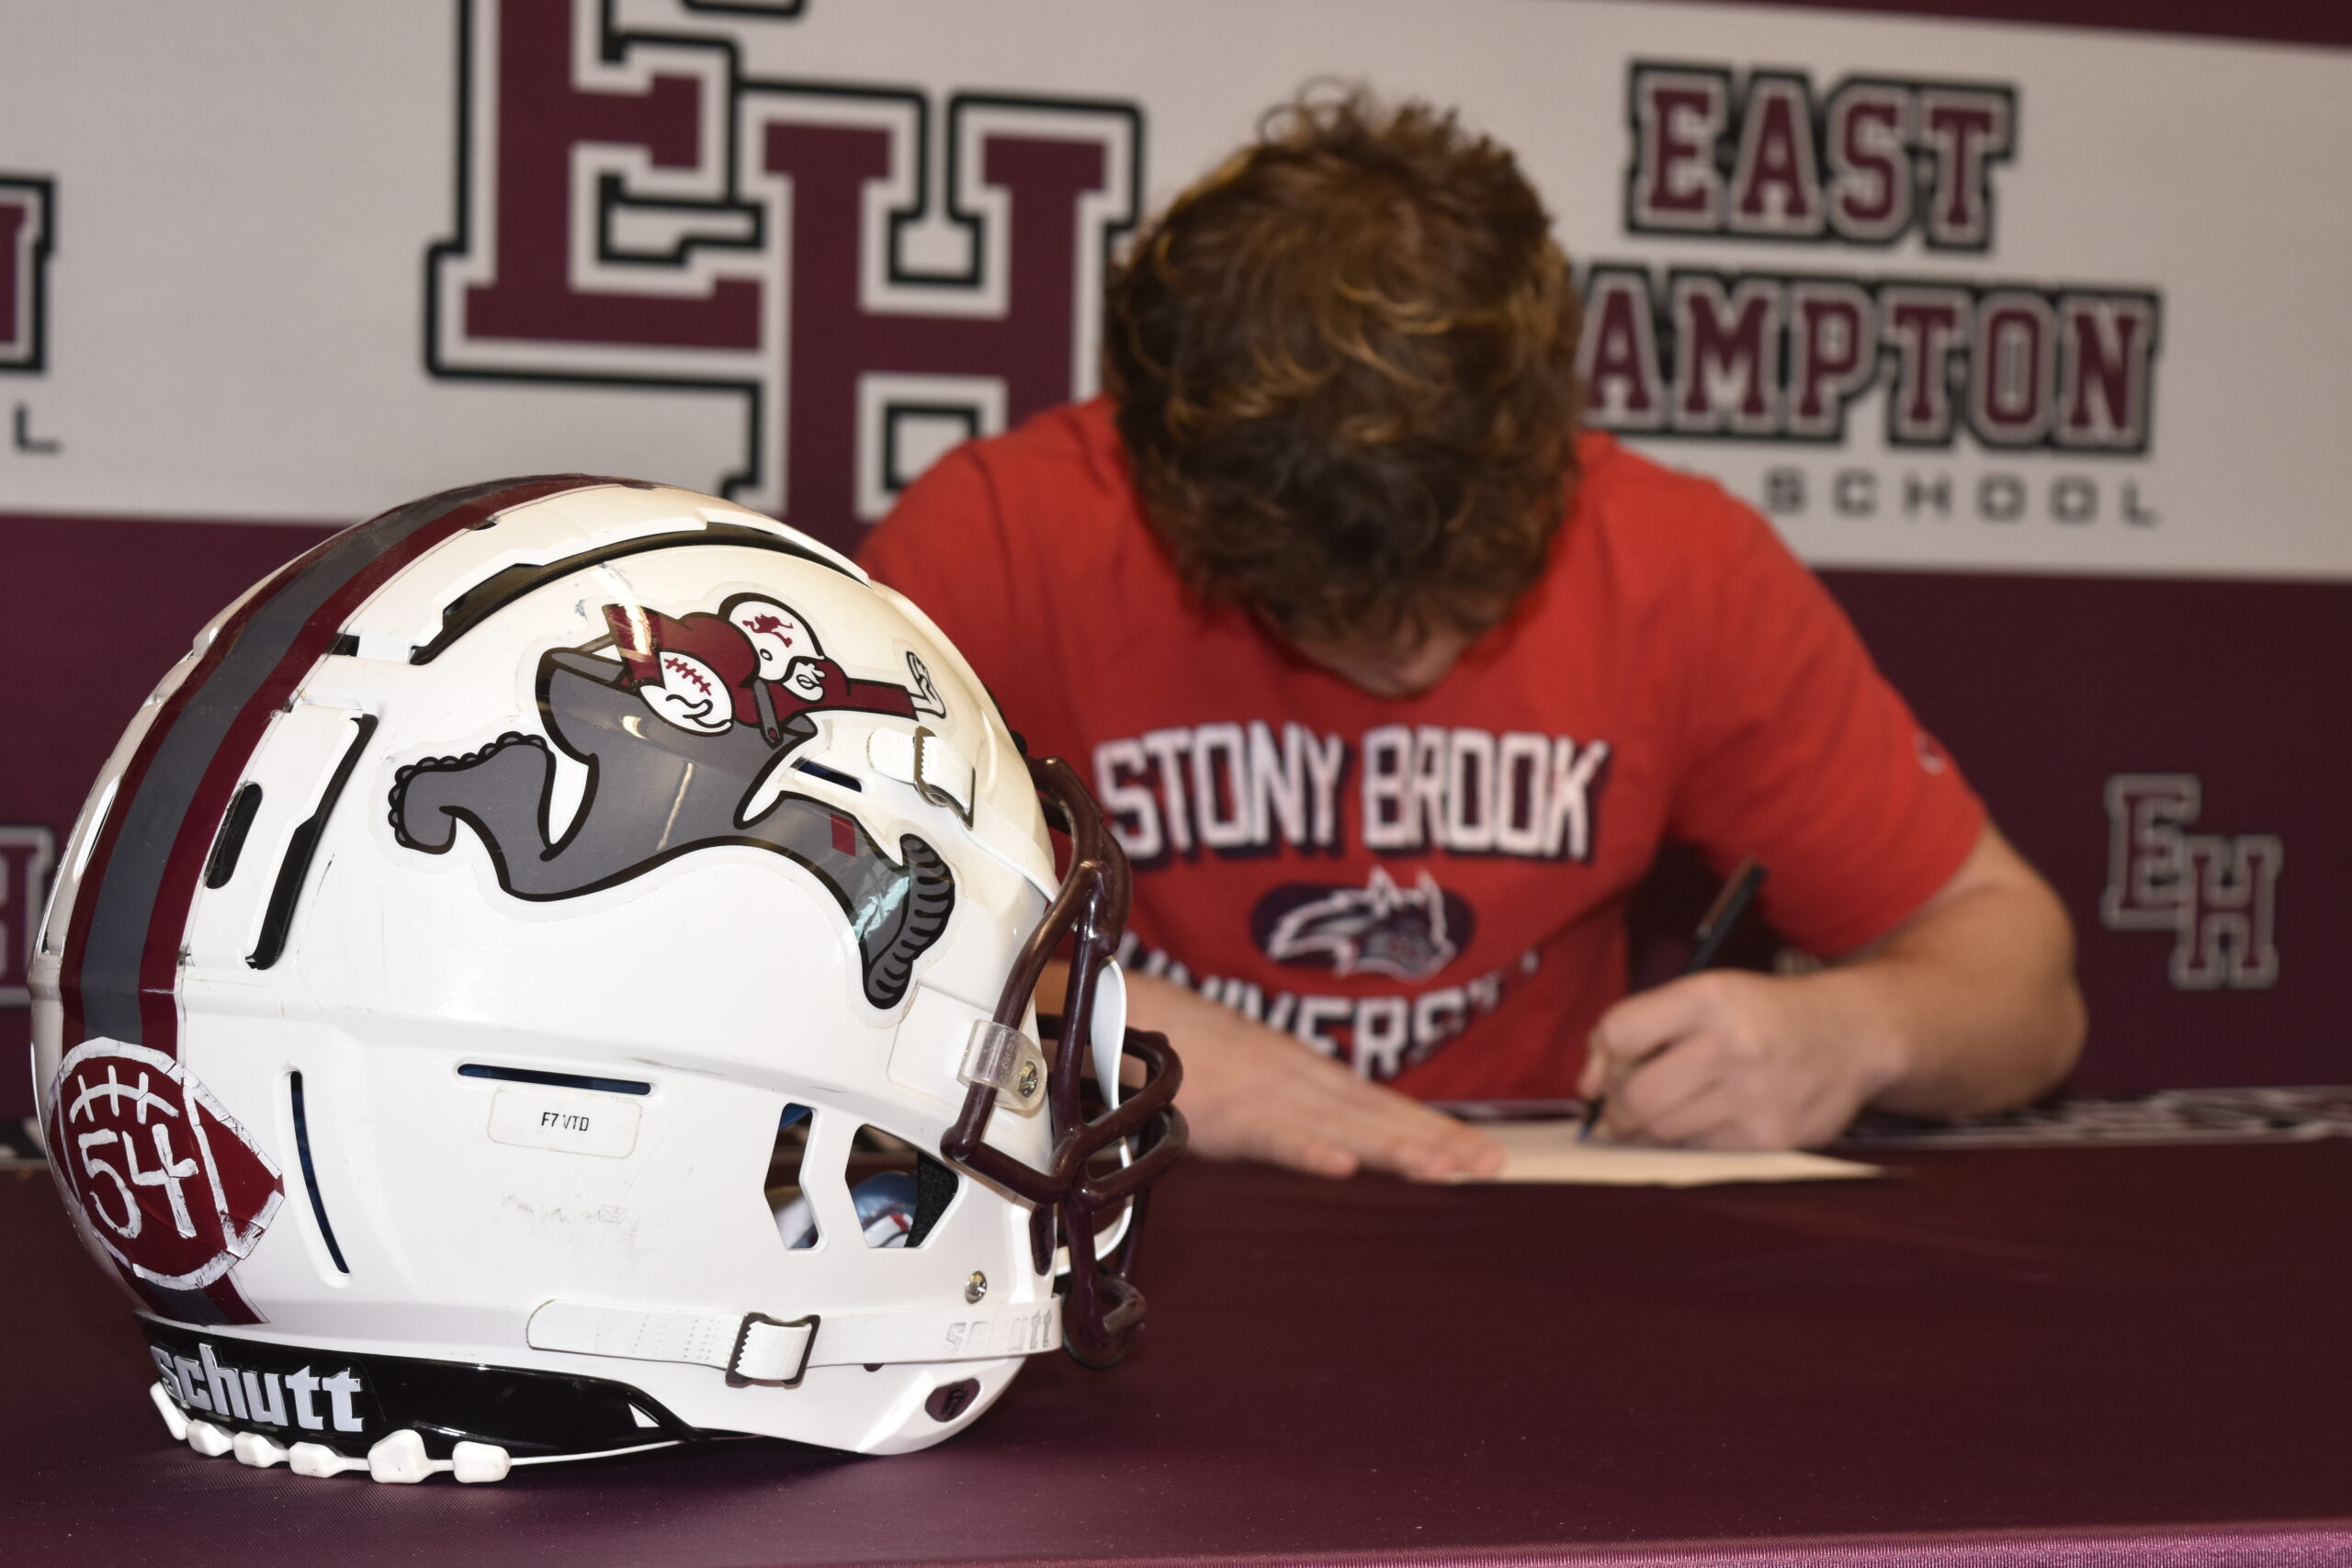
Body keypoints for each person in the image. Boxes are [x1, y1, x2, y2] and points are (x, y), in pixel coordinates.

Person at [859, 91, 2085, 1180]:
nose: (1411, 664)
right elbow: (767, 921)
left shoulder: (1676, 563)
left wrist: (1858, 1032)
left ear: (1557, 451)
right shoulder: (1005, 537)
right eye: (1322, 605)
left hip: (1535, 1248)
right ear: (1163, 486)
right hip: (1116, 1228)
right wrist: (1090, 1027)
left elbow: (2026, 986)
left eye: (1470, 588)